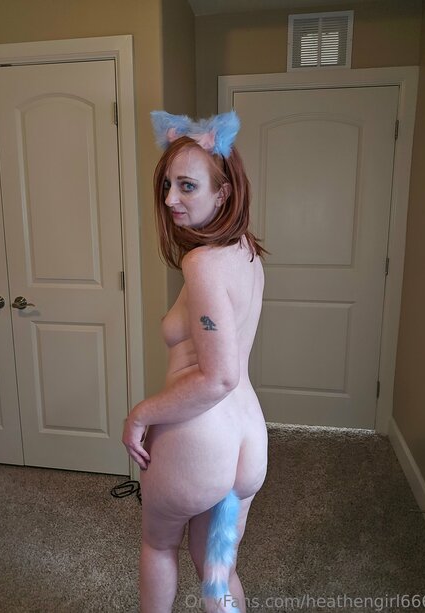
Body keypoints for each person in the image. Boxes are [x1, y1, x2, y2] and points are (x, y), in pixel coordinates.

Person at [122, 110, 268, 613]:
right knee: (217, 568)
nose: (170, 199)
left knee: (159, 545)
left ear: (223, 194)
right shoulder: (246, 251)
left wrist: (141, 414)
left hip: (200, 439)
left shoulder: (201, 263)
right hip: (247, 437)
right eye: (168, 185)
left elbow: (217, 376)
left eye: (187, 186)